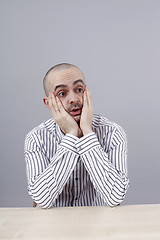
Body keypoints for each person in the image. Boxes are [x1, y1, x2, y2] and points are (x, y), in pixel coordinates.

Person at [24, 63, 129, 208]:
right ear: (48, 103)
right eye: (62, 93)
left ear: (87, 93)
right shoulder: (36, 138)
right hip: (53, 227)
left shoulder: (112, 132)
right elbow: (41, 200)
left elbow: (115, 196)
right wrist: (71, 135)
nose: (74, 99)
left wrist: (87, 132)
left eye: (79, 89)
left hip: (100, 226)